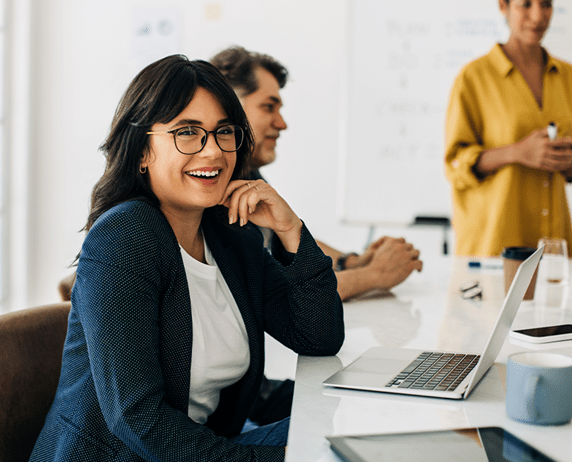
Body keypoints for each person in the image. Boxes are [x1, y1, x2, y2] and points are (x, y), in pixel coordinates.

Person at [30, 55, 344, 461]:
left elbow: (318, 337)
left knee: (353, 430)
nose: (212, 151)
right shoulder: (124, 236)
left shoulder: (232, 235)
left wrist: (291, 231)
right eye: (188, 133)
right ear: (142, 151)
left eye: (223, 132)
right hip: (123, 456)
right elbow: (137, 417)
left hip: (196, 450)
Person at [210, 47, 423, 302]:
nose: (282, 123)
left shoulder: (246, 173)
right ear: (229, 108)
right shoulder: (212, 188)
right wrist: (375, 275)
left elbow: (286, 245)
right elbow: (277, 293)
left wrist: (352, 262)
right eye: (269, 107)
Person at [445, 0, 572, 257]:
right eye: (525, 5)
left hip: (554, 245)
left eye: (546, 4)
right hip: (493, 244)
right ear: (503, 6)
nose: (538, 16)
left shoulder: (567, 76)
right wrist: (517, 152)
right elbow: (455, 166)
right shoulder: (474, 77)